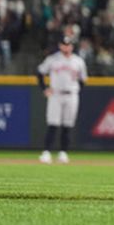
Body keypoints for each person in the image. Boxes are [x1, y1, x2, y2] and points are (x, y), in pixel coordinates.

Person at [37, 33, 88, 164]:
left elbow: (83, 80)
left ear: (72, 46)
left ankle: (63, 153)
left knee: (67, 125)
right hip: (56, 94)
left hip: (71, 95)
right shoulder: (52, 59)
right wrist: (44, 88)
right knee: (53, 124)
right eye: (64, 45)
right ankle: (47, 152)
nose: (66, 47)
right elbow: (40, 73)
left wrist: (75, 90)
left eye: (69, 45)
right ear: (60, 46)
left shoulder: (78, 61)